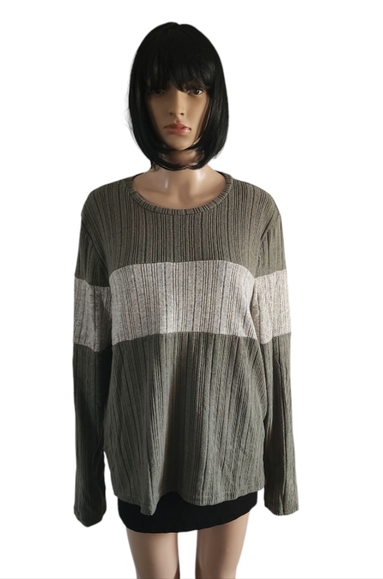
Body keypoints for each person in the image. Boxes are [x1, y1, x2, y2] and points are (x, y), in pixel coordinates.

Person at [72, 22, 299, 579]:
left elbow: (275, 350)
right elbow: (89, 352)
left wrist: (282, 473)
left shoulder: (257, 211)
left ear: (213, 99)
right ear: (140, 99)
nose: (177, 106)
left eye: (194, 89)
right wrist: (87, 484)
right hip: (141, 448)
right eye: (160, 89)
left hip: (230, 442)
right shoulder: (105, 212)